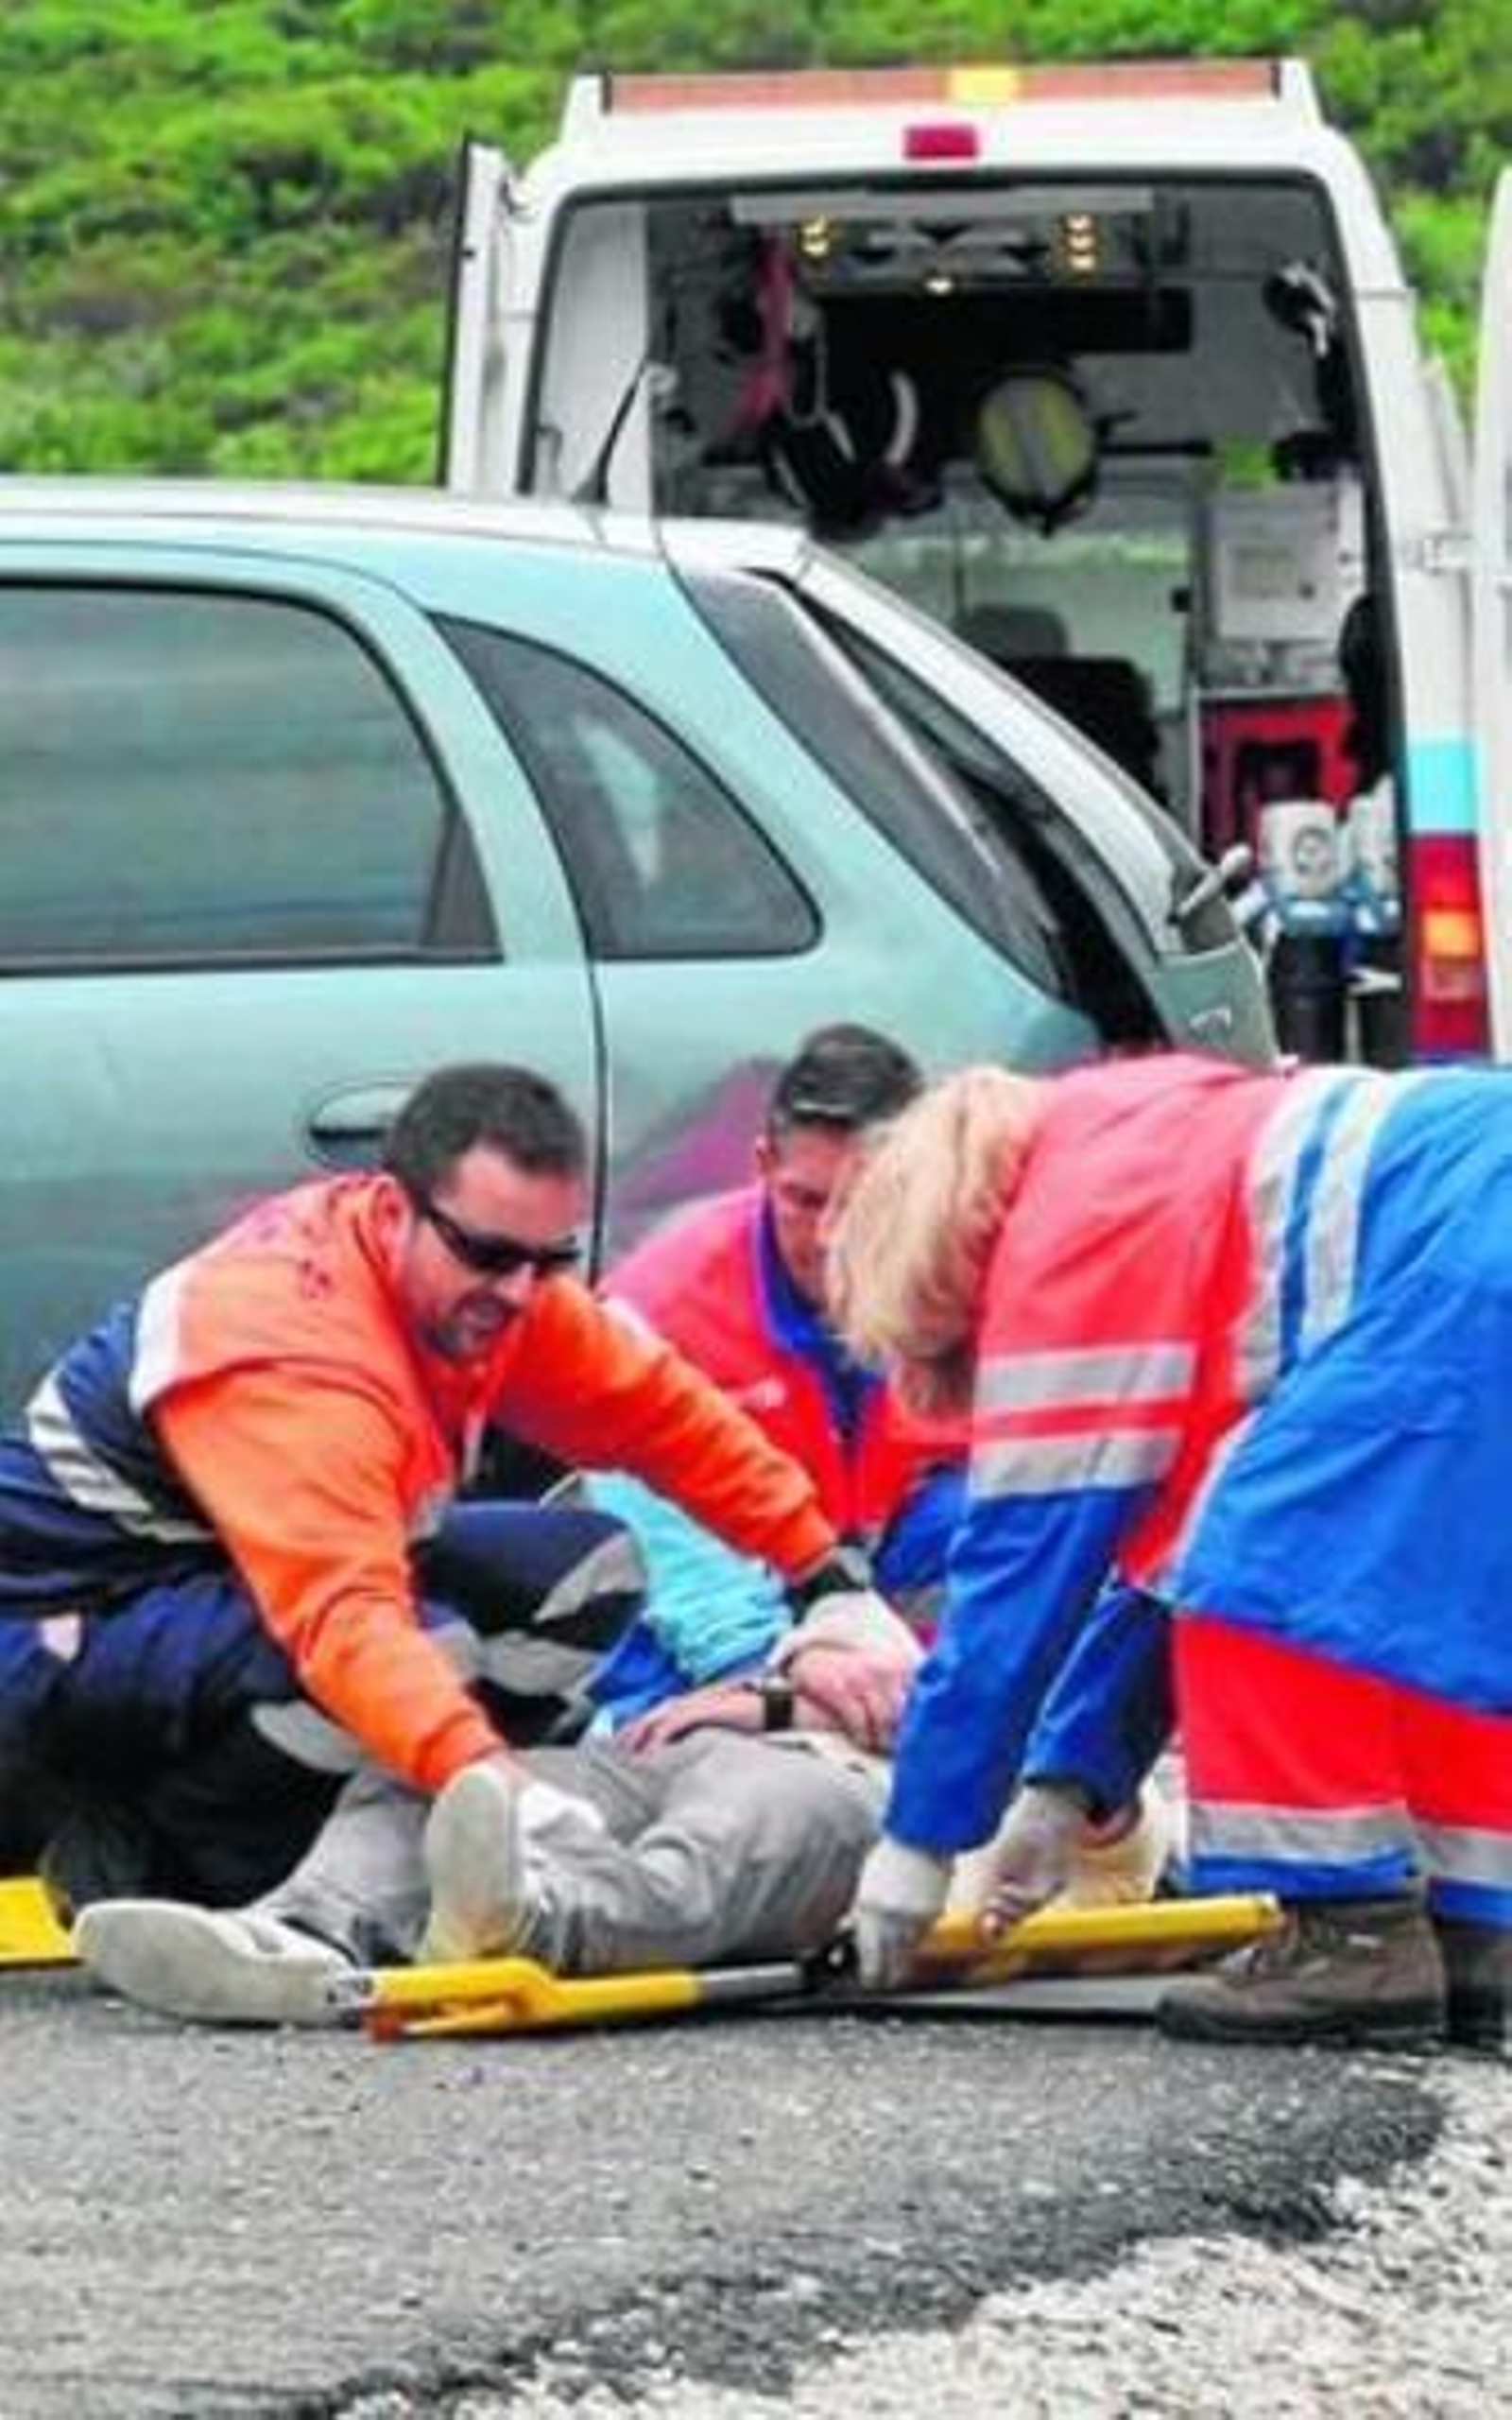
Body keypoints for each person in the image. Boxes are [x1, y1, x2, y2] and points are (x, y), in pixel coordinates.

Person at [0, 1061, 905, 1919]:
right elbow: (346, 1624)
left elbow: (664, 1418)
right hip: (54, 1634)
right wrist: (497, 1786)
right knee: (422, 1651)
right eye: (488, 1256)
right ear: (395, 1210)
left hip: (217, 1593)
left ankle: (385, 1845)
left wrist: (824, 1580)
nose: (518, 1294)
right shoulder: (290, 1347)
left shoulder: (484, 1283)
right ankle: (171, 1866)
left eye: (549, 1261)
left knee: (585, 1572)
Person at [827, 1050, 1512, 2052]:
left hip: (1474, 1272)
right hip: (1473, 1234)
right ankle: (1474, 1928)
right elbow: (1162, 1572)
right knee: (1406, 1586)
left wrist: (920, 1837)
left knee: (1275, 1565)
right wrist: (1064, 1788)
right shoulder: (1150, 1135)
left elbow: (1020, 1582)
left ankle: (1350, 1937)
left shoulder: (1070, 1237)